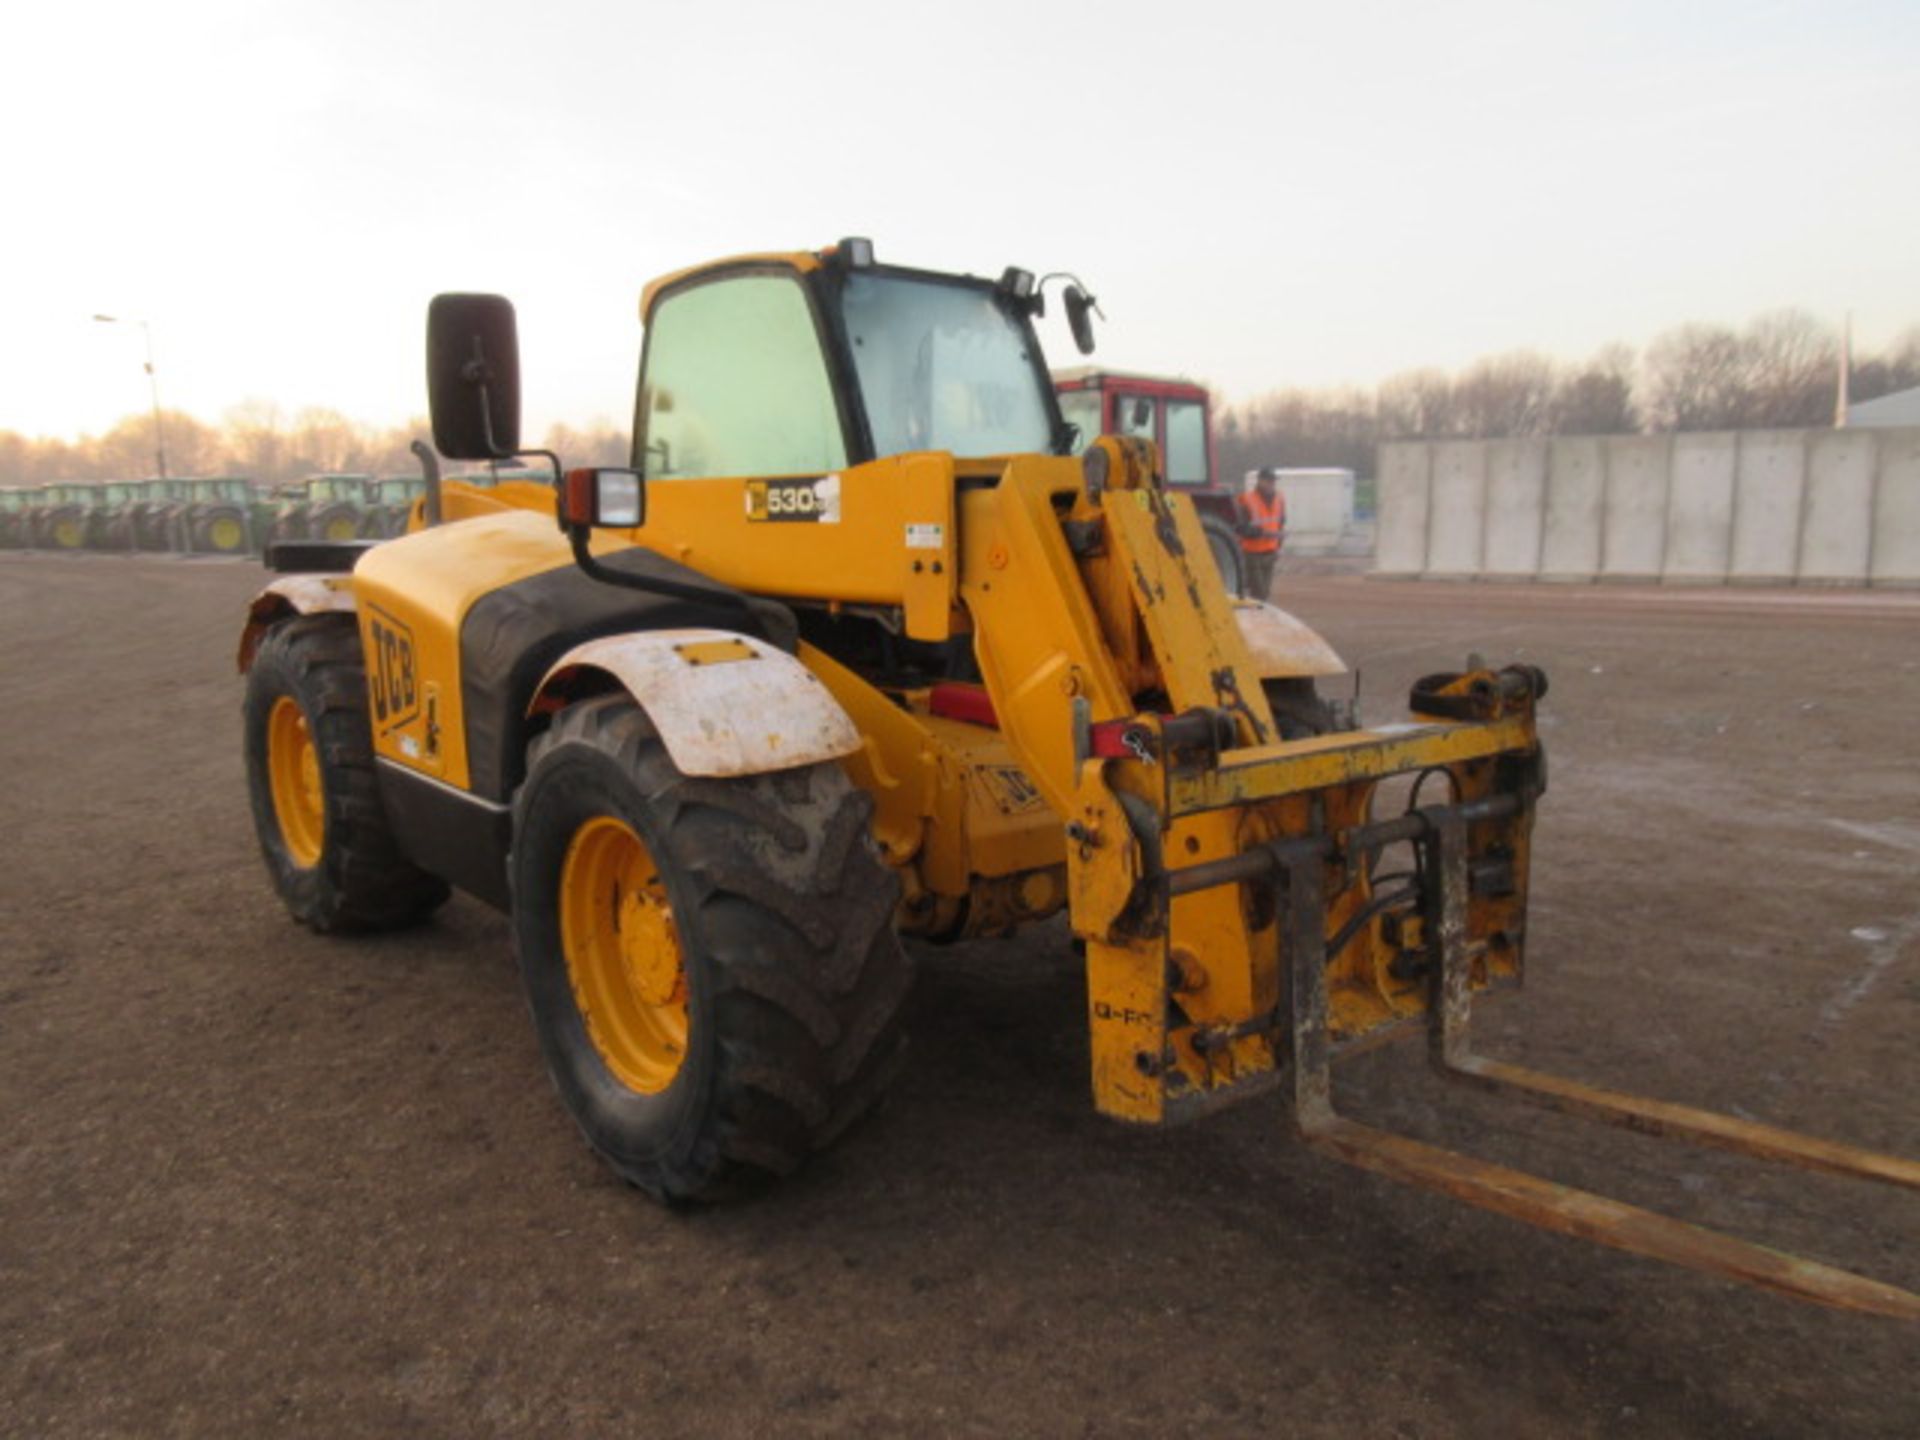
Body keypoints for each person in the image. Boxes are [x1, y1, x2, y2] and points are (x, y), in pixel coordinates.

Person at [1235, 467, 1286, 600]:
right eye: (1268, 480)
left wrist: (1278, 545)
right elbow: (1239, 527)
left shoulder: (1279, 499)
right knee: (1259, 595)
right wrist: (1257, 532)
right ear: (1260, 481)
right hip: (1252, 554)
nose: (1271, 484)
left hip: (1270, 553)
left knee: (1264, 594)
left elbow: (1280, 523)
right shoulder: (1246, 499)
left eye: (1273, 481)